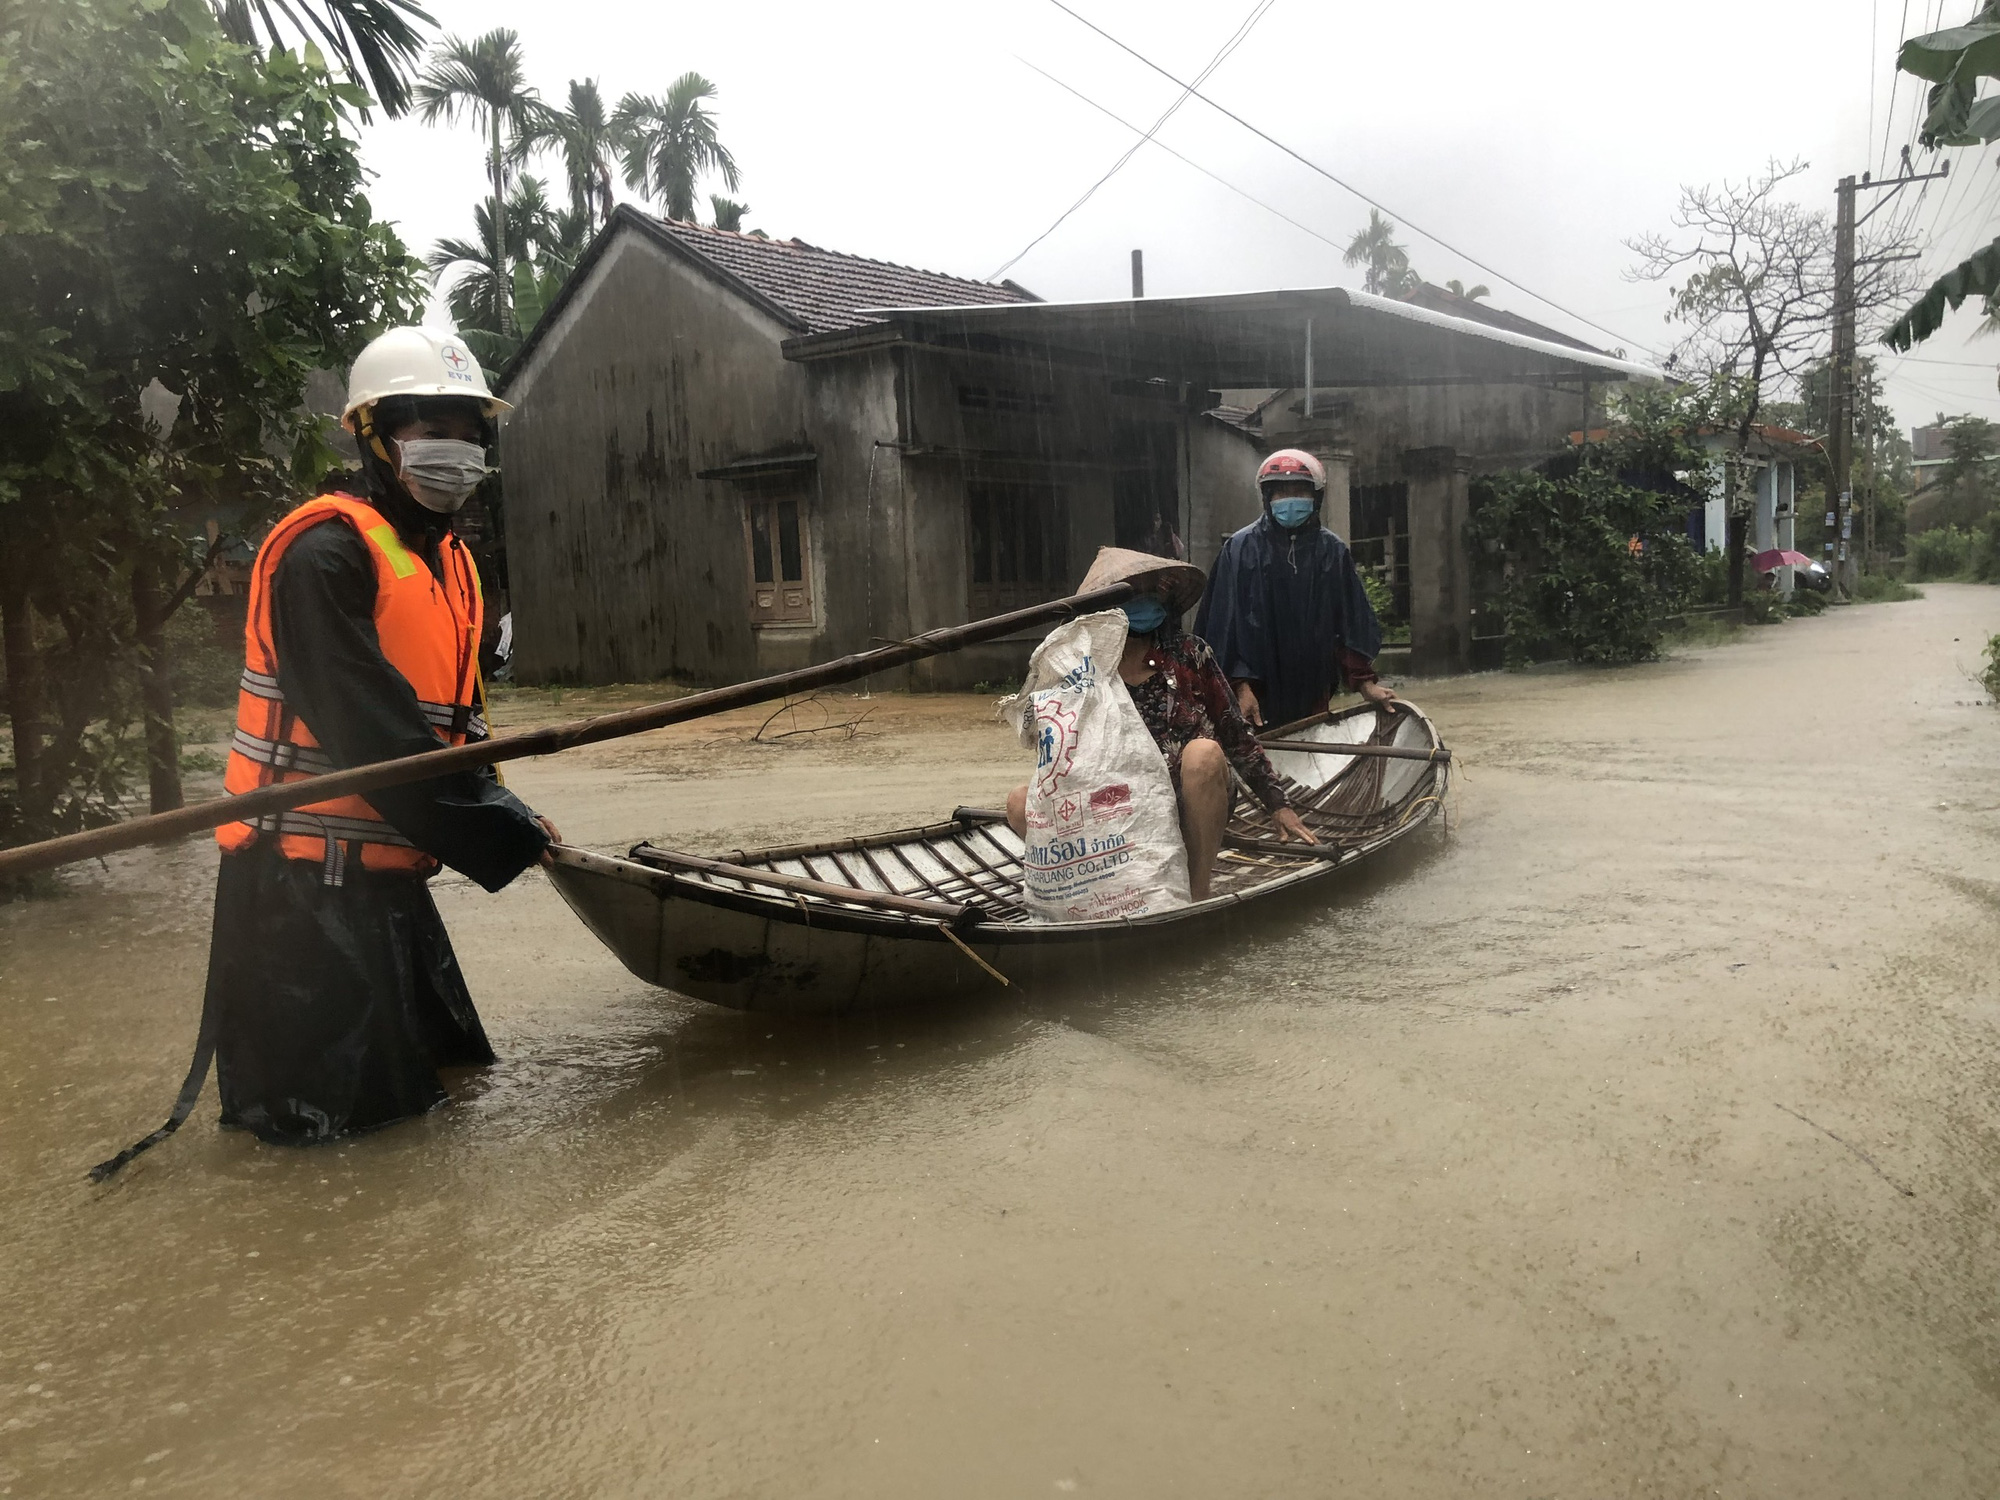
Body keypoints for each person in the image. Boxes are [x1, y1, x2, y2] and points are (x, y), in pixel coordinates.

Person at [95, 327, 558, 1178]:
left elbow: (455, 725)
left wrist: (502, 802)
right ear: (373, 434)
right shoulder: (324, 555)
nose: (452, 450)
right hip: (301, 895)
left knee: (450, 1086)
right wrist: (504, 831)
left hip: (386, 876)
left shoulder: (452, 561)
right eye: (429, 427)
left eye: (467, 430)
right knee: (339, 1147)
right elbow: (371, 730)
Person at [1006, 547, 1317, 903]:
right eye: (1130, 595)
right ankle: (1097, 894)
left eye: (1151, 592)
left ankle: (1196, 892)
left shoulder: (1190, 654)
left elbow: (1236, 735)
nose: (1145, 602)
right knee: (1019, 801)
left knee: (1203, 754)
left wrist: (1277, 804)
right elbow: (1059, 758)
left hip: (1189, 800)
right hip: (1115, 811)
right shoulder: (1078, 672)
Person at [1194, 449, 1399, 731]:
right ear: (1267, 497)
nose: (1289, 500)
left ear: (1315, 497)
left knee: (1310, 757)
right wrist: (1239, 687)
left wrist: (1365, 684)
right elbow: (1222, 627)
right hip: (1253, 695)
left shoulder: (1332, 552)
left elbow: (1349, 621)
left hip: (1313, 688)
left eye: (1299, 491)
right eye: (1281, 492)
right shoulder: (1239, 550)